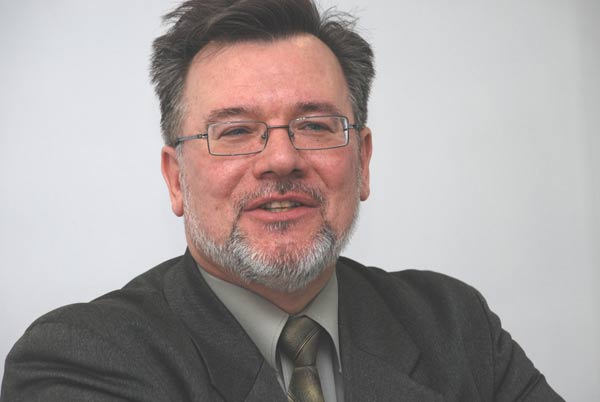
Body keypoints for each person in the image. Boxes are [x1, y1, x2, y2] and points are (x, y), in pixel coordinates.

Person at [1, 0, 564, 401]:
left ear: (363, 162)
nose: (280, 158)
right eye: (235, 131)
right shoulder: (82, 358)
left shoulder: (456, 326)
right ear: (176, 179)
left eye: (315, 125)